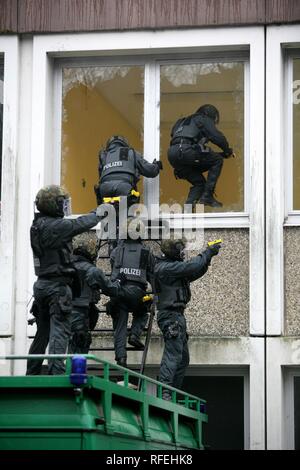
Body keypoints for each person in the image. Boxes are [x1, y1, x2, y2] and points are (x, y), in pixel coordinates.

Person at [26, 185, 104, 375]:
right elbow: (81, 223)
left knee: (42, 333)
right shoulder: (56, 226)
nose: (64, 207)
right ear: (54, 204)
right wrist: (103, 210)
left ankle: (32, 371)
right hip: (57, 287)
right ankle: (57, 373)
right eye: (62, 203)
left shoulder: (37, 225)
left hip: (42, 286)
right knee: (59, 331)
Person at [154, 237, 221, 400]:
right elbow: (192, 266)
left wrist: (208, 257)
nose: (183, 254)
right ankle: (165, 391)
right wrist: (206, 252)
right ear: (173, 252)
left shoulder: (174, 269)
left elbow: (195, 270)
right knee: (173, 354)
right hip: (171, 316)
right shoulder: (165, 268)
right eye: (180, 251)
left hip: (177, 316)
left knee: (183, 359)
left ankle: (172, 392)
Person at [107, 219, 155, 367]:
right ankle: (135, 334)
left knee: (120, 326)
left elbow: (113, 268)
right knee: (142, 312)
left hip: (119, 293)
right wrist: (155, 295)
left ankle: (121, 358)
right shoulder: (147, 252)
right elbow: (152, 274)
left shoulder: (116, 251)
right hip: (137, 293)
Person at [168, 104, 235, 208]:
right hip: (186, 151)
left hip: (173, 155)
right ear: (209, 115)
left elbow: (203, 156)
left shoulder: (182, 122)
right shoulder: (202, 118)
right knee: (217, 160)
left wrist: (222, 155)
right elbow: (216, 137)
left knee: (200, 183)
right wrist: (227, 151)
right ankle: (207, 197)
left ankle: (187, 212)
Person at [68, 234, 122, 354]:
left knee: (60, 354)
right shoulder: (92, 271)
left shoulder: (64, 267)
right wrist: (119, 280)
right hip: (80, 316)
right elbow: (111, 289)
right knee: (78, 352)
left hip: (60, 315)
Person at [95, 135, 162, 206]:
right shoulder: (130, 152)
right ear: (124, 144)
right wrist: (157, 165)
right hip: (124, 189)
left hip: (104, 190)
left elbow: (101, 177)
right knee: (131, 207)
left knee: (107, 210)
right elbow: (150, 171)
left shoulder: (104, 156)